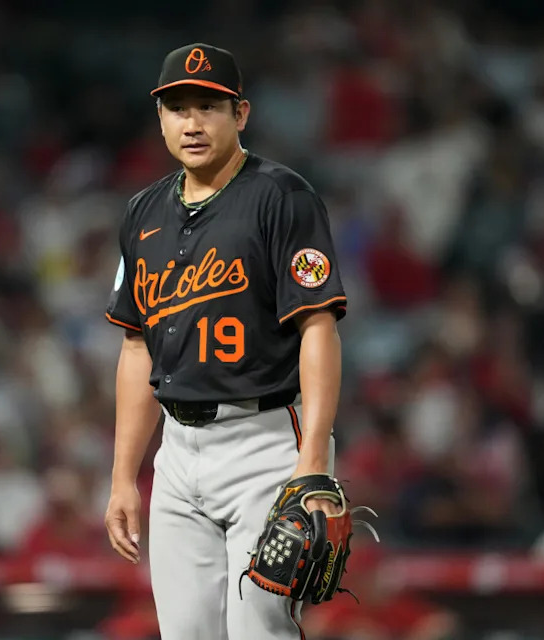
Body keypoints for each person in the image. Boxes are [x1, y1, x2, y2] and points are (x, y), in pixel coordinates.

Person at [103, 43, 348, 640]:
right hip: (177, 452)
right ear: (160, 118)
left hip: (265, 443)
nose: (192, 123)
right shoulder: (141, 214)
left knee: (260, 633)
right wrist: (122, 476)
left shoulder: (282, 197)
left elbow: (317, 325)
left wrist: (313, 461)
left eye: (208, 107)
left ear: (240, 114)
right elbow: (136, 347)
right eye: (178, 108)